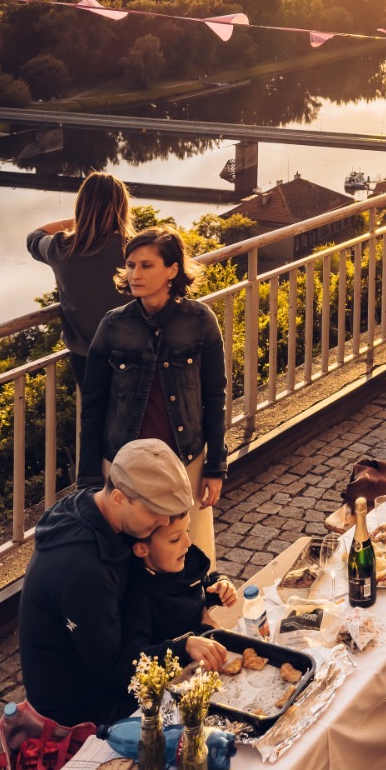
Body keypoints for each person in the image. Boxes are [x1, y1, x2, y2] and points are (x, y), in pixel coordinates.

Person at [18, 439, 226, 729]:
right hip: (81, 712)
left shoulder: (103, 511)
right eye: (155, 512)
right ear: (119, 498)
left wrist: (198, 607)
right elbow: (116, 672)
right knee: (211, 718)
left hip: (107, 671)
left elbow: (158, 589)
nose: (164, 520)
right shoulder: (84, 570)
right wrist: (183, 646)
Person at [78, 227, 227, 562]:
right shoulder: (113, 325)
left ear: (172, 270)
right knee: (129, 556)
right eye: (130, 265)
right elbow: (93, 406)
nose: (135, 274)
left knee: (189, 553)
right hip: (122, 465)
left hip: (184, 461)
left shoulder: (200, 320)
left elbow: (215, 398)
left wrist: (215, 466)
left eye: (146, 265)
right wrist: (89, 476)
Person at [26, 173, 134, 390]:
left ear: (81, 206)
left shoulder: (60, 247)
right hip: (134, 353)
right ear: (121, 208)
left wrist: (83, 220)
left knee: (98, 418)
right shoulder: (135, 249)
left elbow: (34, 237)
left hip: (87, 359)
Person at [123, 513, 238, 650]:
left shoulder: (187, 560)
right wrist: (190, 642)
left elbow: (202, 588)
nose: (188, 542)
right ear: (142, 549)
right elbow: (136, 657)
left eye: (187, 531)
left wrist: (220, 586)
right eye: (175, 539)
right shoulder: (138, 597)